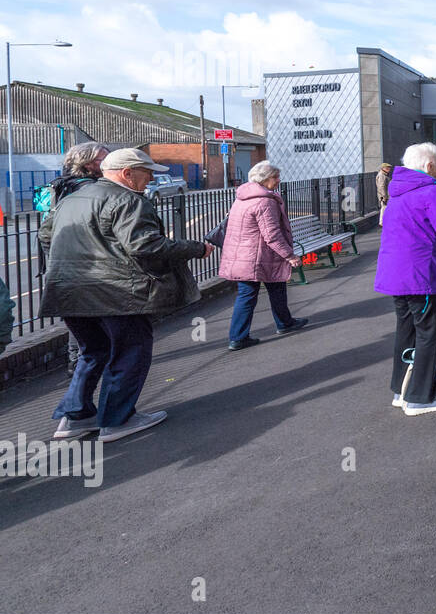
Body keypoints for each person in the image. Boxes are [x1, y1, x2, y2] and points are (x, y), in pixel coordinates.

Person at [38, 148, 212, 442]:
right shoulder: (128, 200)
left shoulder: (71, 199)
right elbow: (146, 247)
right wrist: (196, 248)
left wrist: (75, 264)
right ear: (127, 173)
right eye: (147, 173)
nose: (150, 180)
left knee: (93, 352)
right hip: (116, 294)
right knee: (131, 352)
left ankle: (76, 417)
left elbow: (46, 236)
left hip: (68, 292)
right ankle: (117, 420)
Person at [374, 143, 436, 415]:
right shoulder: (431, 191)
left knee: (406, 331)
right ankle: (421, 396)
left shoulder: (398, 193)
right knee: (430, 333)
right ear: (430, 166)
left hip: (396, 275)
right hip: (420, 274)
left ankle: (401, 389)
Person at [37, 142, 109, 374]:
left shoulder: (61, 186)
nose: (107, 163)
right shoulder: (88, 190)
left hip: (62, 261)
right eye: (102, 159)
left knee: (76, 316)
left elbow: (46, 233)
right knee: (90, 317)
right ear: (88, 164)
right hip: (86, 263)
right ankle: (82, 362)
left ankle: (77, 359)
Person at [220, 161, 307, 351]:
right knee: (268, 291)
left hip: (244, 256)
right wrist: (290, 256)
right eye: (275, 177)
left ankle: (240, 336)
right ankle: (278, 325)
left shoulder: (242, 198)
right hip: (258, 257)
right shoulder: (265, 201)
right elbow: (272, 235)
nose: (278, 180)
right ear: (264, 179)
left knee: (253, 293)